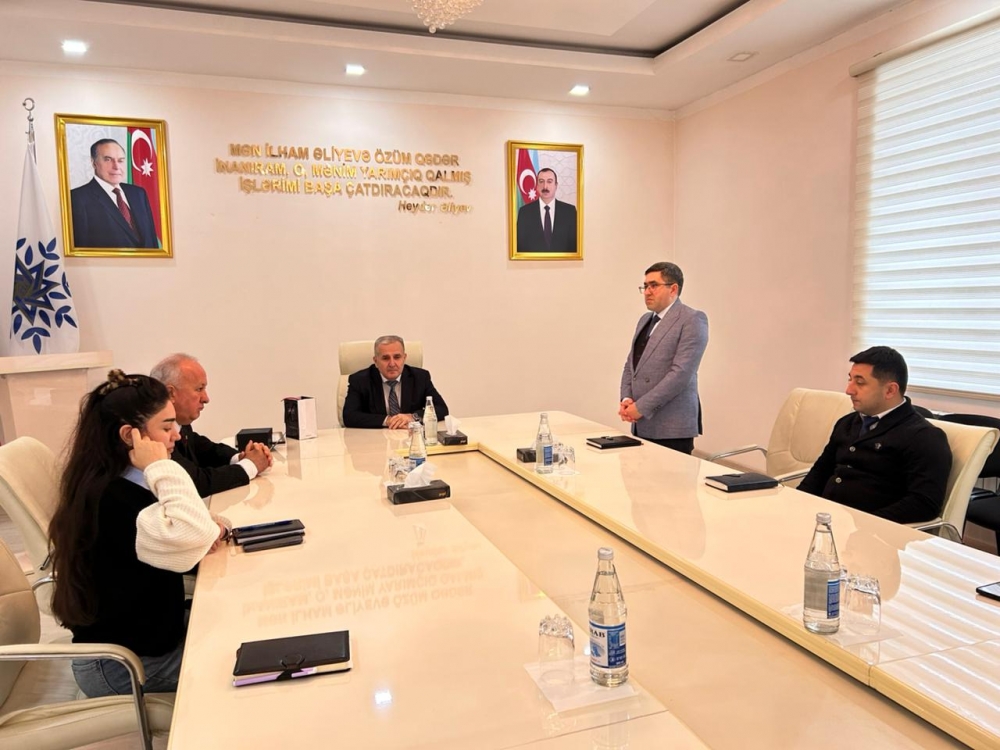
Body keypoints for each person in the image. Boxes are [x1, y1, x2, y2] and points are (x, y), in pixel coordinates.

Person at [48, 370, 230, 697]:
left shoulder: (123, 480)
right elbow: (195, 536)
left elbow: (196, 531)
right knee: (239, 663)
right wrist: (161, 466)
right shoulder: (112, 498)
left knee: (241, 624)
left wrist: (205, 528)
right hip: (121, 665)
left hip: (151, 638)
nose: (177, 435)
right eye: (166, 427)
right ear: (129, 436)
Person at [798, 346, 952, 523]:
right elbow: (820, 472)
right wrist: (796, 504)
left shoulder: (924, 437)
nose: (849, 390)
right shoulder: (847, 423)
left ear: (890, 390)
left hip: (870, 531)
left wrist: (867, 524)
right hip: (826, 519)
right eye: (850, 379)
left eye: (860, 382)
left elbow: (924, 504)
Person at [151, 353, 271, 497]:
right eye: (199, 389)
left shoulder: (181, 424)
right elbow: (195, 483)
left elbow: (206, 450)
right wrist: (250, 465)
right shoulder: (154, 434)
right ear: (171, 393)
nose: (206, 398)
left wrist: (241, 457)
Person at [620, 262, 709, 455]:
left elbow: (680, 375)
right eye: (645, 286)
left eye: (654, 285)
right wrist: (627, 399)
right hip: (642, 424)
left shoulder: (692, 319)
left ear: (673, 289)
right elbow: (631, 365)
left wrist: (641, 407)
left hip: (672, 426)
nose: (647, 292)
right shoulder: (645, 320)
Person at [343, 335, 449, 429]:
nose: (392, 364)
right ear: (376, 361)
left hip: (410, 436)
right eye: (385, 358)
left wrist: (412, 417)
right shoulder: (359, 380)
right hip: (375, 439)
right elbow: (349, 416)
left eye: (397, 357)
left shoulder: (420, 377)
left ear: (404, 358)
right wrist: (388, 420)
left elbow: (441, 409)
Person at [70, 139, 159, 249]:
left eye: (120, 160)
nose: (116, 167)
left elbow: (152, 240)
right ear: (94, 163)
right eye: (108, 160)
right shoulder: (77, 198)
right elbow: (81, 250)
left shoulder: (138, 194)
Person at [516, 168, 578, 252]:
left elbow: (574, 246)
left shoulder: (570, 212)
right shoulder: (524, 212)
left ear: (556, 185)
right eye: (541, 182)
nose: (545, 186)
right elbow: (520, 247)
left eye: (549, 181)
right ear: (537, 186)